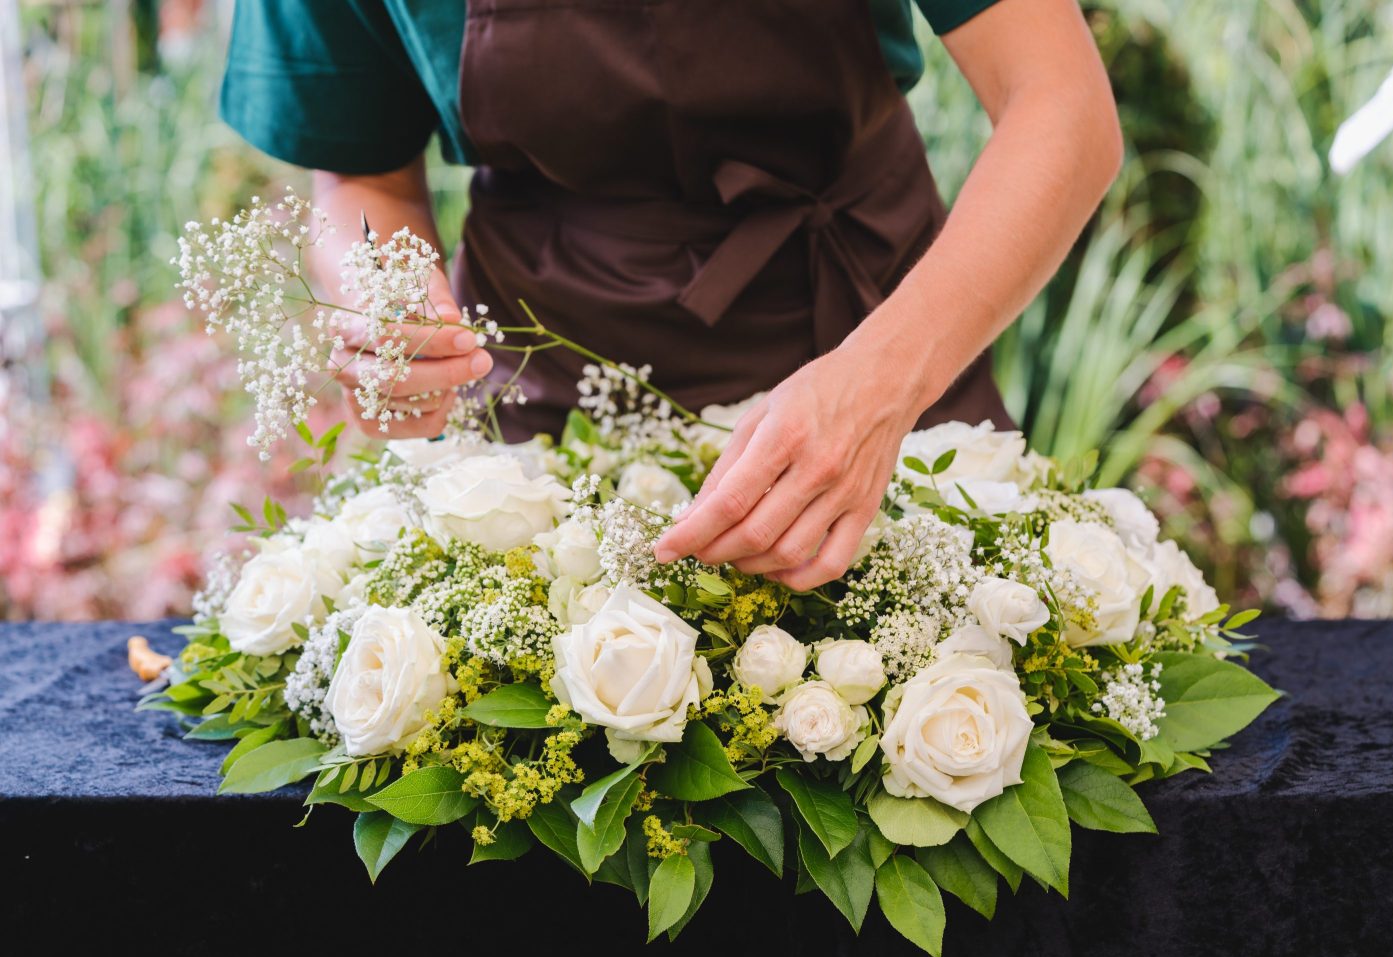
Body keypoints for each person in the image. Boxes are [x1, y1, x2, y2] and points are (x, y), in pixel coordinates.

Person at [221, 0, 1121, 590]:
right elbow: (361, 174)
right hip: (539, 388)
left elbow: (1061, 103)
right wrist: (389, 309)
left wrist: (880, 384)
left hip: (875, 334)